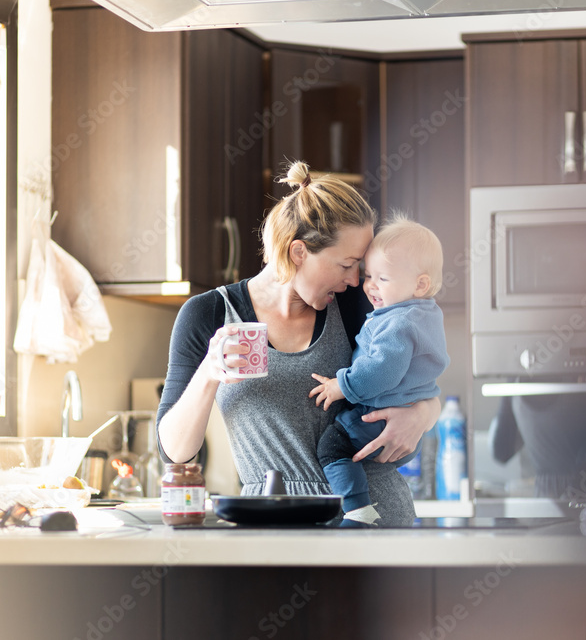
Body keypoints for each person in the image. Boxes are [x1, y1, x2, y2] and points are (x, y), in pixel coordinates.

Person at [155, 161, 440, 526]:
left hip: (374, 525)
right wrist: (209, 373)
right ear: (299, 253)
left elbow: (425, 375)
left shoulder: (356, 304)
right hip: (272, 529)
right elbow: (176, 453)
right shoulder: (208, 314)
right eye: (347, 265)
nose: (357, 280)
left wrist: (423, 414)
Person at [309, 215, 449, 524]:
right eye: (368, 274)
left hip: (378, 417)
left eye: (382, 279)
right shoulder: (424, 314)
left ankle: (358, 512)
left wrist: (340, 386)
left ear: (420, 284)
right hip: (400, 420)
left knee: (333, 447)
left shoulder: (398, 322)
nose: (367, 285)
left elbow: (381, 371)